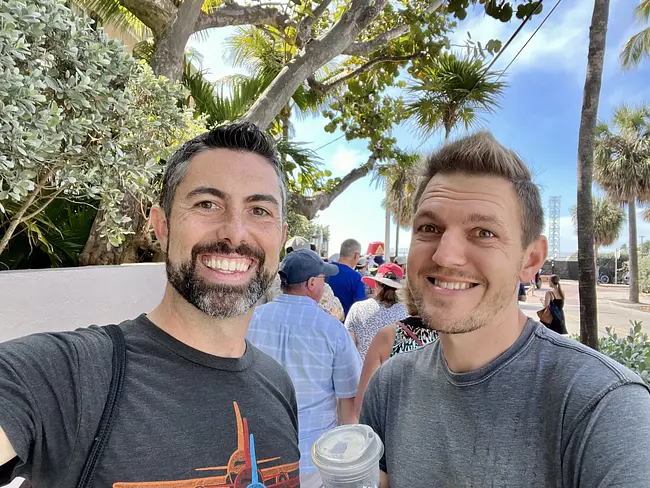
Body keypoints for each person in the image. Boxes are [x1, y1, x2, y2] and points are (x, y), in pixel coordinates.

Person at [0, 123, 302, 487]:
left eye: (259, 210)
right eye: (208, 204)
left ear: (281, 239)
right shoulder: (63, 375)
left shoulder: (277, 385)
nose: (234, 233)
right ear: (162, 226)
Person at [359, 132, 650, 488]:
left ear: (531, 260)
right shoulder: (390, 386)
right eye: (430, 228)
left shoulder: (603, 406)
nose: (444, 254)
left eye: (483, 232)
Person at [247, 249, 362, 488]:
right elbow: (349, 398)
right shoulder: (332, 330)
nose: (325, 284)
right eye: (323, 279)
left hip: (260, 454)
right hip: (313, 457)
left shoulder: (252, 320)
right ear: (311, 283)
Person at [354, 280, 436, 417]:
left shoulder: (387, 336)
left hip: (396, 431)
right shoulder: (461, 339)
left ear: (409, 294)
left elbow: (362, 407)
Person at [345, 263, 408, 360]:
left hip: (363, 370)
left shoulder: (357, 308)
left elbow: (348, 346)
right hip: (395, 371)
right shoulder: (407, 312)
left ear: (376, 284)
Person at [327, 239, 366, 317]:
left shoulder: (323, 270)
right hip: (344, 326)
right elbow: (360, 310)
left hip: (322, 323)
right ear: (356, 255)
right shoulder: (356, 278)